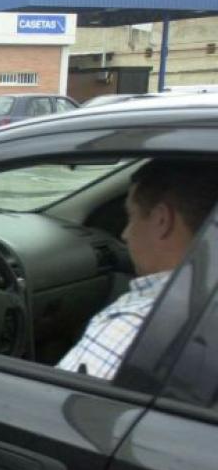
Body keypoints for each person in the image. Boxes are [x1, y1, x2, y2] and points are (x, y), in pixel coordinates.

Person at [57, 160, 218, 379]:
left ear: (162, 220)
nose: (125, 234)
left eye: (131, 217)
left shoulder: (134, 327)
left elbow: (42, 409)